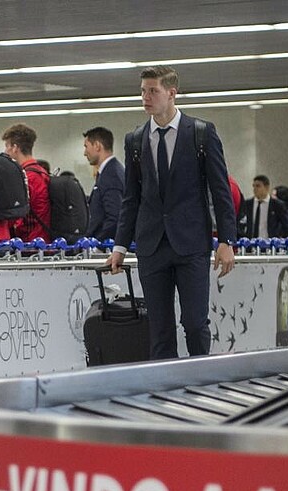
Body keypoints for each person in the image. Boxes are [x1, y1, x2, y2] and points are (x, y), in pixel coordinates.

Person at [108, 65, 236, 359]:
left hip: (191, 244)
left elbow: (220, 190)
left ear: (171, 93)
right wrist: (120, 245)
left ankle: (201, 380)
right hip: (152, 245)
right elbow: (131, 197)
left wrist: (227, 240)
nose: (145, 97)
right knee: (160, 329)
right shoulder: (136, 139)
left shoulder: (201, 134)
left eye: (153, 91)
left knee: (194, 322)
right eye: (142, 91)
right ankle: (165, 391)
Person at [2, 123, 50, 242]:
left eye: (7, 146)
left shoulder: (26, 177)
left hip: (31, 243)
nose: (5, 151)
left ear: (15, 147)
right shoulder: (42, 172)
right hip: (44, 239)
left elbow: (18, 214)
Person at [82, 126, 124, 241]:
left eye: (86, 146)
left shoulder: (111, 175)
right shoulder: (109, 171)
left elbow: (115, 216)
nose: (85, 153)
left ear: (97, 146)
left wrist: (98, 243)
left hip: (107, 246)